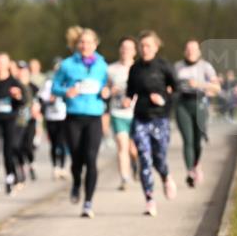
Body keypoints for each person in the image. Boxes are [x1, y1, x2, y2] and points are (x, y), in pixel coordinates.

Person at [51, 28, 109, 218]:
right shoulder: (67, 65)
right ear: (77, 45)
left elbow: (106, 86)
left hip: (94, 117)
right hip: (74, 117)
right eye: (82, 42)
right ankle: (76, 182)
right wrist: (65, 92)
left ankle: (88, 202)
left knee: (91, 158)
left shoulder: (102, 65)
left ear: (95, 44)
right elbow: (55, 87)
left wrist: (106, 92)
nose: (85, 46)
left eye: (89, 42)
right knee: (76, 159)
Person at [127, 31, 178, 217]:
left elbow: (177, 90)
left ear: (156, 47)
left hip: (160, 119)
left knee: (159, 158)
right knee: (144, 158)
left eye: (148, 45)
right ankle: (149, 199)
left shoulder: (164, 66)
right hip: (140, 118)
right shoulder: (135, 68)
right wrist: (126, 100)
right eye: (141, 46)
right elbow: (130, 91)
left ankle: (166, 176)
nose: (144, 49)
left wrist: (164, 99)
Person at [174, 40, 220, 187]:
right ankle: (190, 172)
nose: (190, 52)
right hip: (182, 104)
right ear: (184, 51)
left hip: (199, 104)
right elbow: (170, 84)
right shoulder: (177, 67)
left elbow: (217, 88)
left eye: (193, 49)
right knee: (187, 140)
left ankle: (196, 164)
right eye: (188, 49)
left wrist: (199, 84)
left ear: (199, 51)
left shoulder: (206, 67)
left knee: (197, 141)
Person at [0, 53, 26, 195]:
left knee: (8, 150)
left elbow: (22, 102)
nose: (1, 65)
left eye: (4, 62)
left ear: (8, 64)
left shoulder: (14, 81)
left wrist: (17, 96)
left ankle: (9, 179)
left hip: (10, 119)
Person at [107, 36, 139, 190]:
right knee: (122, 146)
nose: (126, 50)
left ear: (134, 51)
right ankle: (124, 179)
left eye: (129, 48)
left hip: (137, 113)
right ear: (120, 49)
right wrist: (110, 91)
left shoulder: (140, 67)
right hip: (118, 113)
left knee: (134, 149)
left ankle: (136, 163)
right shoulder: (111, 69)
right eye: (123, 47)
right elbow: (104, 90)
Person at [39, 59, 69, 180]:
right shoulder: (49, 83)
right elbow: (41, 98)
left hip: (63, 116)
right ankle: (55, 167)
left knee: (62, 143)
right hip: (51, 117)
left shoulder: (67, 82)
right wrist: (49, 99)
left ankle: (62, 167)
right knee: (53, 143)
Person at [14, 61, 40, 185]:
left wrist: (38, 108)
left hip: (30, 120)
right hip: (18, 121)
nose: (21, 72)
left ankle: (31, 164)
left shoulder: (33, 87)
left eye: (23, 70)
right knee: (17, 146)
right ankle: (21, 168)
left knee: (28, 145)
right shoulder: (15, 86)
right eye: (19, 70)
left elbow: (40, 101)